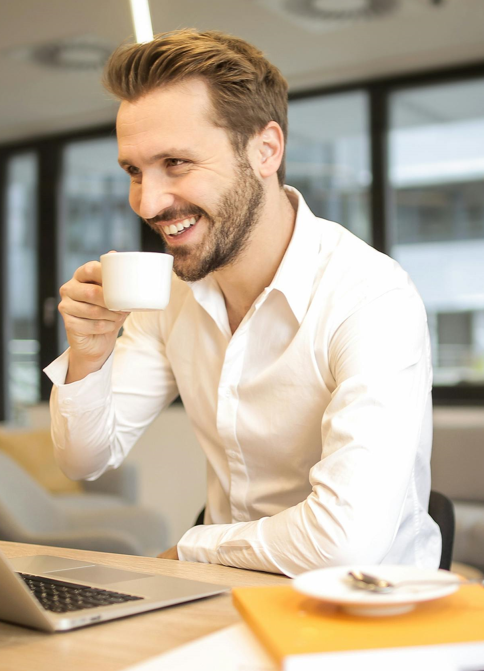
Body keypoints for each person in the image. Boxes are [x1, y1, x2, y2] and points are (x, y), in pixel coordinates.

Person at [45, 29, 441, 577]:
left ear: (266, 149)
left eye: (176, 163)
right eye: (134, 171)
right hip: (225, 598)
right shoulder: (172, 296)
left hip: (364, 612)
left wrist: (192, 548)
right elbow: (84, 459)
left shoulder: (371, 297)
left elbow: (344, 542)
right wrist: (89, 355)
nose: (148, 202)